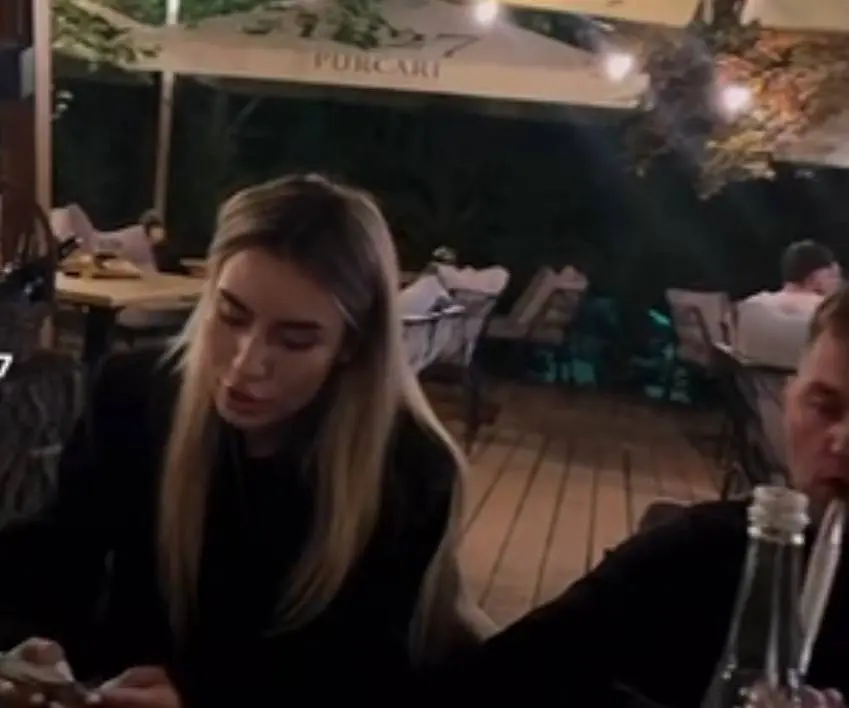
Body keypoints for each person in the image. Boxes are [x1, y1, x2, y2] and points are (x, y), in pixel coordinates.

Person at [0, 175, 490, 707]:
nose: (245, 364)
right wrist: (29, 641)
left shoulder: (409, 470)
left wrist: (203, 693)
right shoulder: (135, 395)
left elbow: (364, 671)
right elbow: (58, 560)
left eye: (294, 340)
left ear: (351, 346)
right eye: (231, 316)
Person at [444, 286, 849, 707]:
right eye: (824, 406)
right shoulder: (700, 554)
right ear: (788, 399)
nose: (842, 443)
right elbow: (500, 676)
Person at [737, 240, 842, 369]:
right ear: (816, 277)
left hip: (757, 381)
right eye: (834, 276)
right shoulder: (830, 314)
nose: (838, 283)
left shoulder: (750, 307)